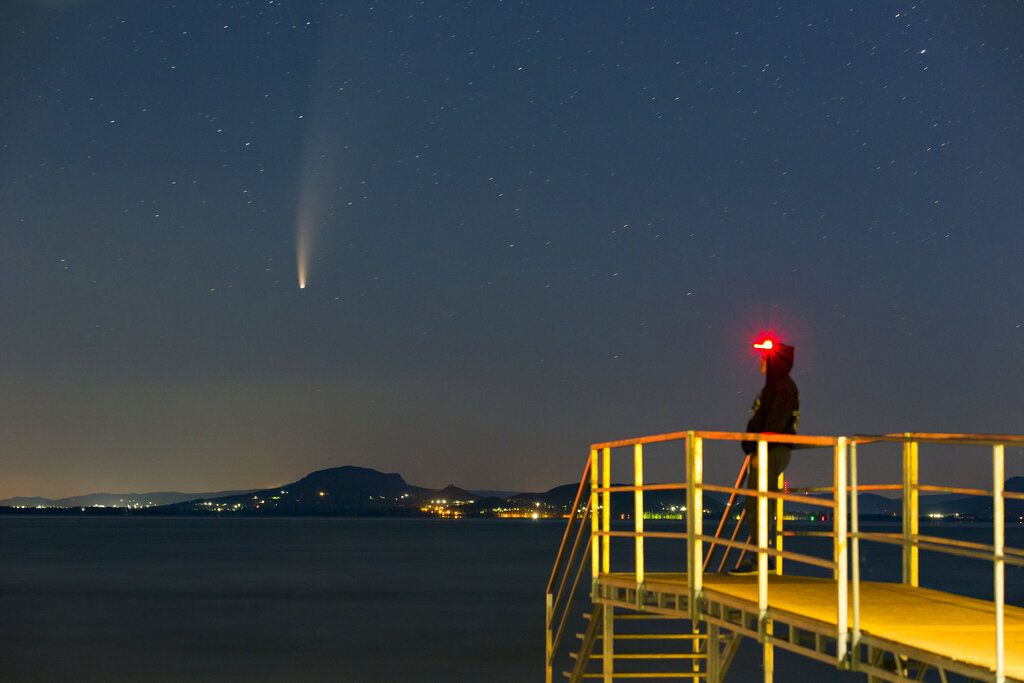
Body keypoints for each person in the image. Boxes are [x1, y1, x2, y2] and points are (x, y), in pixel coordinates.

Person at [730, 340, 799, 575]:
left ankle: (760, 560)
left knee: (758, 505)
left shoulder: (782, 388)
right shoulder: (775, 387)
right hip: (768, 451)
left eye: (764, 358)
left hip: (769, 452)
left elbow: (775, 424)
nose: (760, 362)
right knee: (757, 504)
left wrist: (760, 450)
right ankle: (760, 558)